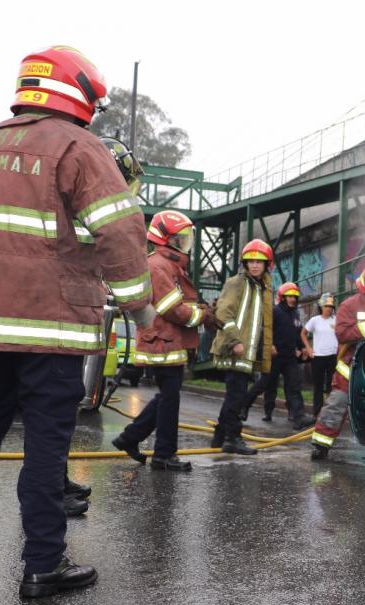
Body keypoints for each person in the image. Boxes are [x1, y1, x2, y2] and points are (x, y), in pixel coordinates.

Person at [0, 46, 154, 598]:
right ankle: (43, 564)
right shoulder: (78, 146)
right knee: (45, 445)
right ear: (78, 92)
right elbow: (119, 229)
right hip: (50, 325)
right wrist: (139, 303)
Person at [62, 136, 146, 515]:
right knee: (54, 409)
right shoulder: (85, 207)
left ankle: (57, 480)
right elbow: (115, 250)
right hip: (62, 320)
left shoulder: (71, 201)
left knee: (60, 408)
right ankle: (51, 493)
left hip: (68, 316)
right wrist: (140, 305)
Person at [111, 210, 217, 471]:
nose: (183, 243)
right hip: (163, 342)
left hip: (167, 341)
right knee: (169, 399)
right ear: (164, 238)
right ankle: (163, 455)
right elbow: (173, 309)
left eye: (185, 238)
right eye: (179, 238)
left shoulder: (168, 264)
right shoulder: (159, 265)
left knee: (167, 397)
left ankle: (129, 438)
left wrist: (199, 310)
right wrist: (202, 315)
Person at [310, 262, 365, 460]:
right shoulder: (350, 305)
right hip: (351, 368)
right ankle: (320, 444)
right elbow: (342, 334)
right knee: (337, 404)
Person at [208, 239, 275, 454]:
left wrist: (268, 345)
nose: (254, 265)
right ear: (244, 263)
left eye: (259, 262)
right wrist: (235, 341)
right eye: (250, 261)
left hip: (246, 351)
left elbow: (260, 321)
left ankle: (220, 436)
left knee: (235, 395)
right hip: (234, 348)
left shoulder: (262, 288)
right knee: (236, 395)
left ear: (266, 264)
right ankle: (232, 438)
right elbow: (223, 314)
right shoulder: (237, 283)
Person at [242, 282, 313, 430]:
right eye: (289, 296)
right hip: (274, 356)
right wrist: (270, 345)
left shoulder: (295, 314)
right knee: (263, 384)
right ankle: (243, 408)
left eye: (295, 297)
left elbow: (297, 333)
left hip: (289, 357)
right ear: (282, 297)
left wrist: (302, 347)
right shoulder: (274, 311)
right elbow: (264, 331)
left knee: (294, 386)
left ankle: (299, 417)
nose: (292, 299)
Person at [301, 293, 338, 417]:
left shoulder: (336, 320)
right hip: (318, 357)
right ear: (321, 306)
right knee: (318, 386)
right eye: (326, 306)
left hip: (333, 356)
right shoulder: (315, 320)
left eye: (331, 306)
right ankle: (317, 413)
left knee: (331, 386)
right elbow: (303, 333)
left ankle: (329, 412)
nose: (329, 308)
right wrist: (308, 348)